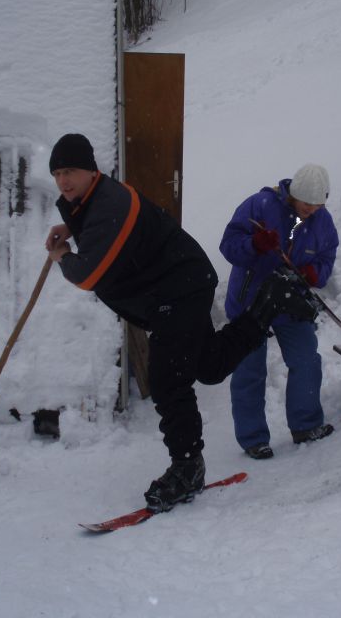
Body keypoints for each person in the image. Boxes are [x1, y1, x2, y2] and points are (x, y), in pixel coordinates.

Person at [44, 134, 319, 511]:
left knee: (167, 380)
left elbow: (89, 275)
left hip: (175, 290)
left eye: (70, 171)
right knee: (207, 366)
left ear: (92, 170)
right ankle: (268, 303)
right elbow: (99, 231)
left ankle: (187, 466)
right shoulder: (96, 201)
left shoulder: (107, 203)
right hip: (178, 285)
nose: (63, 181)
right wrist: (73, 231)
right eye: (57, 173)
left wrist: (63, 256)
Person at [220, 163, 339, 459]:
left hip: (290, 303)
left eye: (317, 203)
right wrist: (255, 244)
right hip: (251, 302)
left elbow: (326, 258)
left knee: (306, 361)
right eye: (306, 203)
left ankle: (306, 425)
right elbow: (229, 246)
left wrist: (314, 274)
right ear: (293, 194)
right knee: (249, 370)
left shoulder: (323, 222)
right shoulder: (259, 206)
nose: (311, 209)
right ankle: (253, 438)